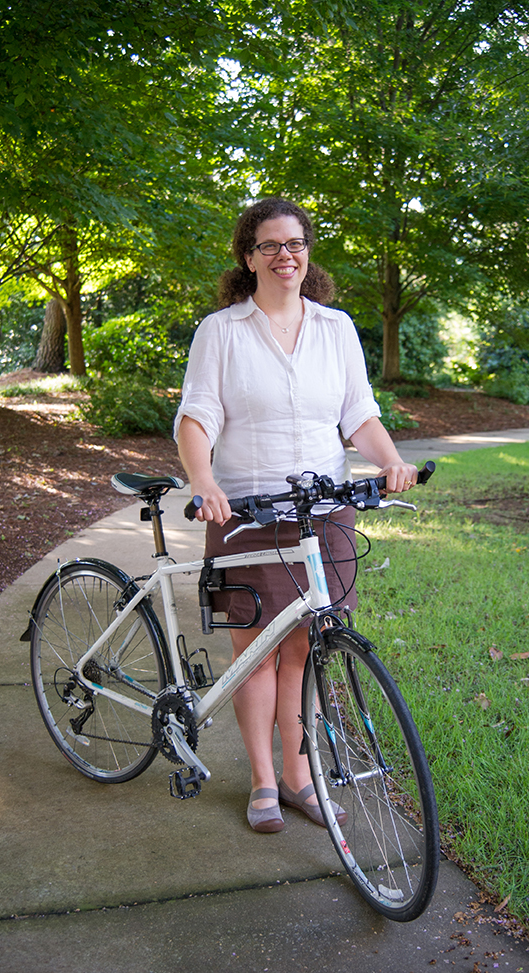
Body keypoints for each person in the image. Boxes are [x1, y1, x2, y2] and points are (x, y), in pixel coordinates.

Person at [174, 197, 417, 833]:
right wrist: (204, 482)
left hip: (322, 510)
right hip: (246, 510)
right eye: (271, 246)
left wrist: (390, 460)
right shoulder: (221, 331)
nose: (286, 255)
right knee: (253, 651)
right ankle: (262, 779)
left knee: (307, 649)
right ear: (247, 257)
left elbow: (358, 414)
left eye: (296, 243)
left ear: (308, 251)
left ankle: (299, 777)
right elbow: (197, 417)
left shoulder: (335, 328)